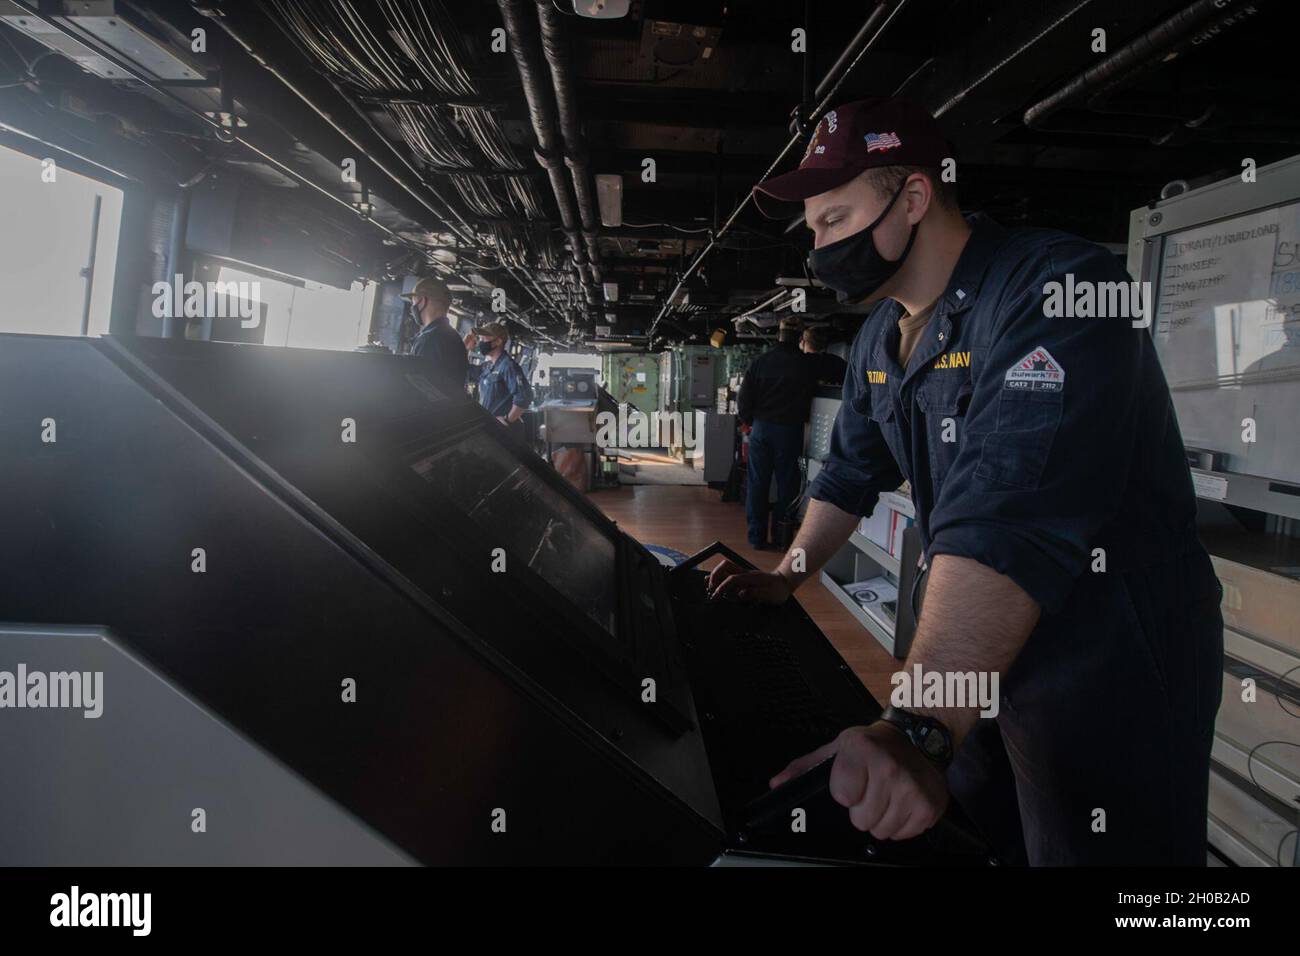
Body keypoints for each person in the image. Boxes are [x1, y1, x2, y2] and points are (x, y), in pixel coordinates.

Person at [708, 97, 1223, 865]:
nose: (816, 247)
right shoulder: (882, 336)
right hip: (972, 656)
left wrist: (915, 725)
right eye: (812, 227)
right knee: (978, 840)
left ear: (913, 198)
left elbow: (1006, 515)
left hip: (1105, 658)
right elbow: (849, 471)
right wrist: (789, 574)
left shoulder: (1058, 290)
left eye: (833, 219)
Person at [737, 316, 814, 550]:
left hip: (761, 429)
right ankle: (782, 540)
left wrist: (748, 421)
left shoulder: (761, 362)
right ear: (800, 338)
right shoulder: (806, 363)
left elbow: (744, 398)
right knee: (787, 487)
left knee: (757, 485)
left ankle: (756, 538)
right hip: (790, 431)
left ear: (778, 335)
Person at [401, 276, 468, 397]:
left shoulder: (429, 339)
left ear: (422, 302)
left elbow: (417, 390)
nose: (412, 308)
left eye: (413, 302)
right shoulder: (454, 337)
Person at [471, 321, 532, 434]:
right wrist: (465, 347)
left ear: (498, 341)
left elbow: (524, 396)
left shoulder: (508, 366)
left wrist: (507, 419)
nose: (480, 343)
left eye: (484, 339)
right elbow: (466, 371)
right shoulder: (488, 366)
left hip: (504, 430)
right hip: (490, 427)